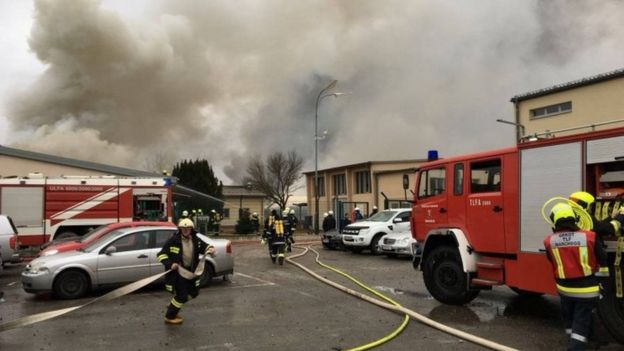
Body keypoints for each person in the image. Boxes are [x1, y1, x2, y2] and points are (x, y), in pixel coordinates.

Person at [543, 203, 610, 350]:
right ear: (575, 218)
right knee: (581, 321)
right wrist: (600, 281)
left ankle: (585, 340)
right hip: (587, 290)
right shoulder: (590, 237)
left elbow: (552, 261)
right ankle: (576, 346)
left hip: (564, 290)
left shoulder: (549, 241)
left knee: (570, 318)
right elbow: (603, 258)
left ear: (555, 221)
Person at [157, 218, 215, 325]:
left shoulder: (195, 240)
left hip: (191, 272)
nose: (185, 230)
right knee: (182, 295)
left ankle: (174, 306)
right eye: (183, 229)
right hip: (179, 273)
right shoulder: (173, 240)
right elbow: (161, 255)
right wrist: (170, 264)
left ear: (191, 229)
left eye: (188, 229)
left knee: (194, 293)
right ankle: (170, 316)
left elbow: (205, 246)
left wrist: (210, 248)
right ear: (180, 229)